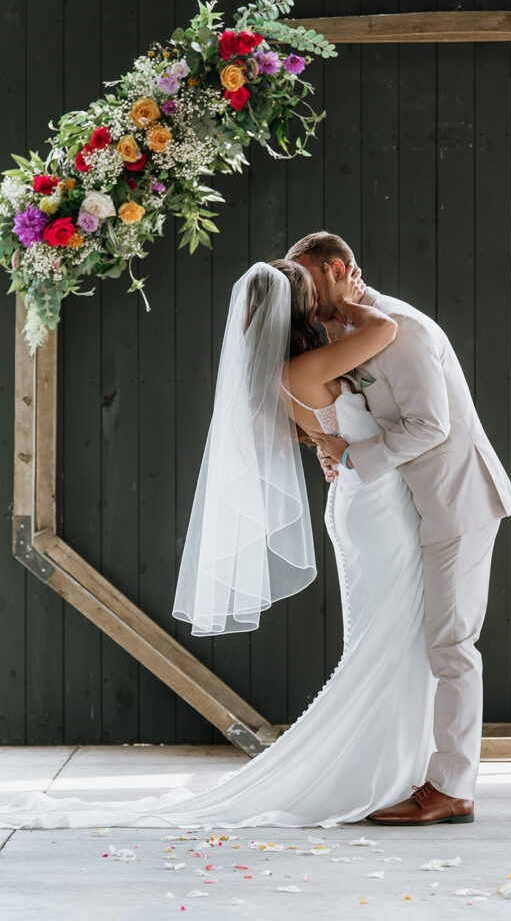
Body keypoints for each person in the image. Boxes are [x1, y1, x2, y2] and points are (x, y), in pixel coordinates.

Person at [0, 258, 441, 830]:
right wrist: (351, 299)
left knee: (383, 641)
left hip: (360, 505)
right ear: (299, 308)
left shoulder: (289, 370)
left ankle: (388, 763)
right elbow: (386, 331)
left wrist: (334, 443)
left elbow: (327, 438)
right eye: (313, 300)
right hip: (376, 513)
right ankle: (378, 768)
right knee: (391, 639)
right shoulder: (308, 365)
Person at [286, 230, 511, 825]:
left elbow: (430, 427)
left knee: (452, 645)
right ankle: (413, 769)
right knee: (426, 644)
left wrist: (353, 455)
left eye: (310, 284)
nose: (305, 303)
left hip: (456, 501)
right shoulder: (346, 329)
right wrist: (334, 444)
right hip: (410, 505)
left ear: (340, 270)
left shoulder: (403, 329)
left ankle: (452, 789)